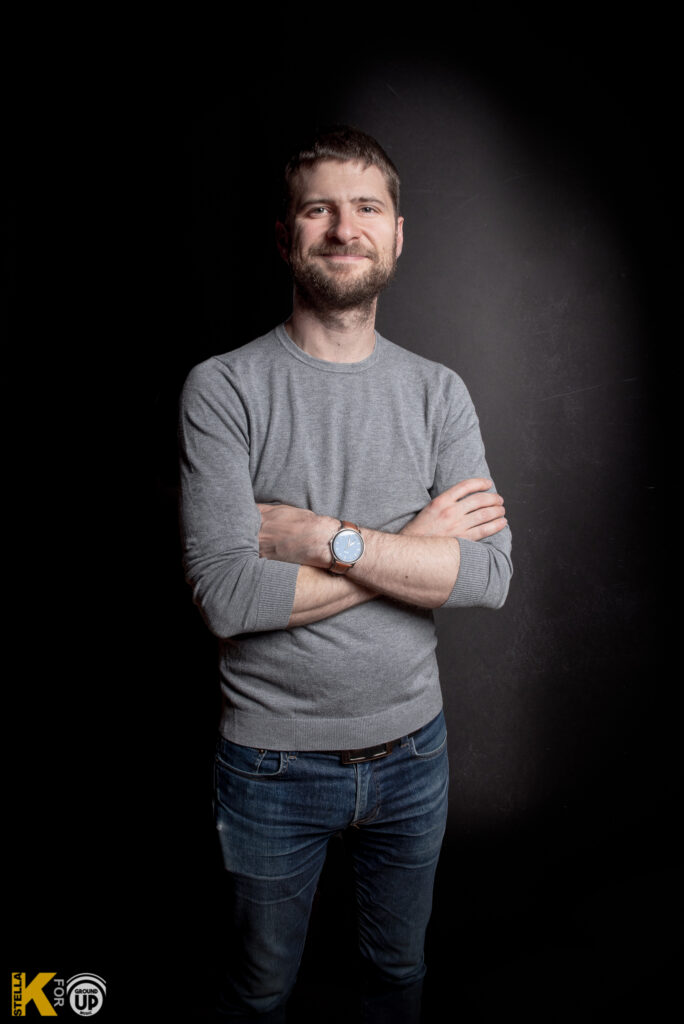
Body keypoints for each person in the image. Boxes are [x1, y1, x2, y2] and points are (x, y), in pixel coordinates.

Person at [179, 125, 512, 1023]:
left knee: (397, 977)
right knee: (258, 990)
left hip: (416, 755)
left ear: (396, 234)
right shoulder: (223, 389)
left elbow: (487, 575)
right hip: (270, 766)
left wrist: (329, 539)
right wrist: (415, 546)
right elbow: (227, 598)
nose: (343, 228)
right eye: (319, 209)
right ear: (285, 233)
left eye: (366, 208)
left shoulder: (438, 392)